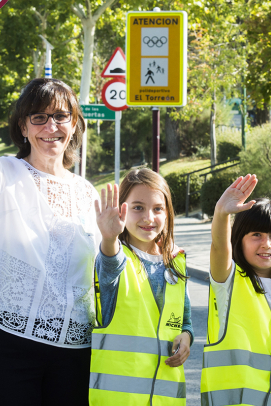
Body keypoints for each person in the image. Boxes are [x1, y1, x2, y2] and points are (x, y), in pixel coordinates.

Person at [0, 45, 99, 405]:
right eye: (39, 118)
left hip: (75, 350)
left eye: (61, 117)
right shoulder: (3, 174)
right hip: (6, 345)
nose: (52, 127)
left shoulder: (86, 191)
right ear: (23, 126)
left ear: (75, 124)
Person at [201, 175, 271, 405]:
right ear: (239, 239)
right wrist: (221, 213)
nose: (266, 244)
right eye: (256, 235)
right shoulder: (229, 281)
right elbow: (220, 247)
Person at [90, 169, 192, 405]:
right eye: (138, 207)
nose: (148, 217)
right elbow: (109, 263)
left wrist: (186, 337)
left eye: (158, 208)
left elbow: (184, 321)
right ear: (121, 210)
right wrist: (108, 238)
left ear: (168, 214)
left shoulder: (176, 262)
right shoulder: (116, 257)